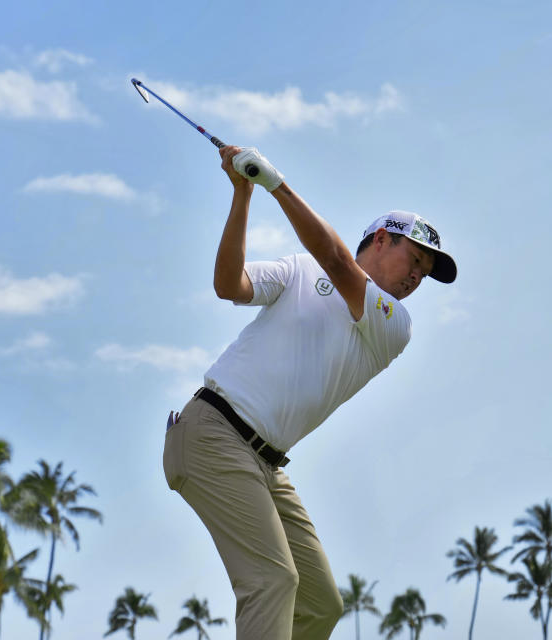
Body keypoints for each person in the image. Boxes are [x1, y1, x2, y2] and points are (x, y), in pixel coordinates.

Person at [162, 145, 457, 640]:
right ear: (382, 240)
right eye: (415, 261)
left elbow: (341, 263)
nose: (416, 278)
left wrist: (277, 184)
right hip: (211, 432)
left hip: (265, 463)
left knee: (320, 603)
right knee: (273, 578)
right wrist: (244, 196)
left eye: (425, 275)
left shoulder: (394, 325)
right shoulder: (302, 269)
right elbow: (228, 285)